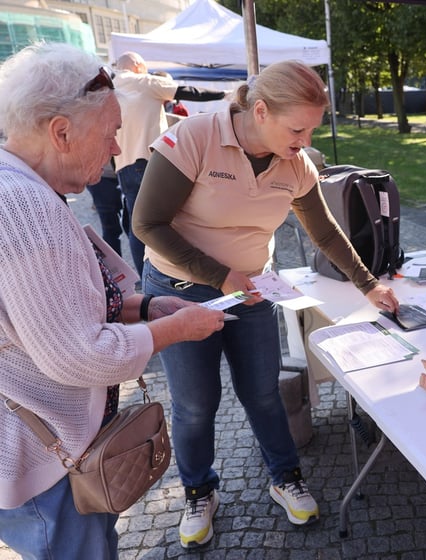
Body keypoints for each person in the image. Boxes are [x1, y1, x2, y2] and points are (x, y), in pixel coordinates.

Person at [132, 60, 400, 548]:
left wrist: (368, 285)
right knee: (196, 404)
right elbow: (147, 224)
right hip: (180, 293)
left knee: (261, 390)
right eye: (297, 128)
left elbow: (324, 232)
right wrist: (219, 274)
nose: (304, 140)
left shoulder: (295, 163)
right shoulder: (194, 137)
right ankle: (198, 490)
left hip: (252, 291)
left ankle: (284, 476)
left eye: (311, 129)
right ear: (260, 111)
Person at [0, 42, 226, 560]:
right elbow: (78, 354)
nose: (118, 149)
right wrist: (175, 329)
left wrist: (144, 309)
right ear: (61, 132)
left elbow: (48, 311)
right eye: (111, 132)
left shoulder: (20, 187)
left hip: (50, 452)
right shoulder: (25, 208)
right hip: (42, 460)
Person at [113, 51, 227, 278]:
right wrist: (228, 94)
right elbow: (187, 91)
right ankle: (163, 276)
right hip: (148, 161)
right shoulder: (143, 81)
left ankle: (145, 275)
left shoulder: (111, 88)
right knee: (159, 224)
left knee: (138, 225)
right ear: (137, 66)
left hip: (122, 166)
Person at [86, 158, 124, 255]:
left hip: (126, 169)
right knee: (110, 227)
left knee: (133, 226)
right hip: (102, 174)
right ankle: (115, 267)